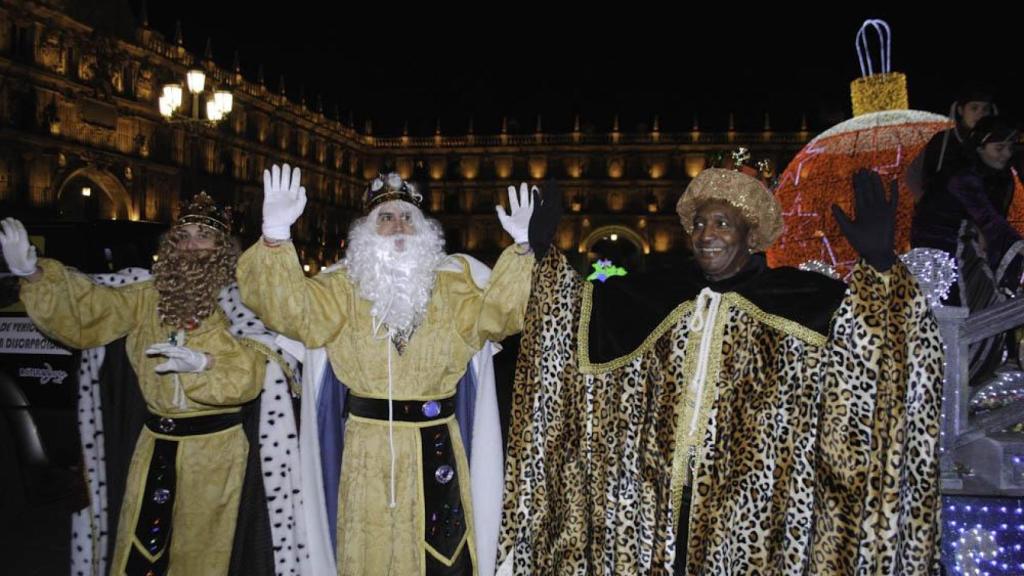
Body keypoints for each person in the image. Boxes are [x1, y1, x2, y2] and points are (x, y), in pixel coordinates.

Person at [497, 166, 944, 575]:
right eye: (698, 225)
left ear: (752, 235)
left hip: (758, 511)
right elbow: (572, 319)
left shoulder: (804, 299)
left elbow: (881, 357)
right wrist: (542, 255)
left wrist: (883, 269)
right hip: (659, 509)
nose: (706, 235)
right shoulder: (657, 294)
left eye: (722, 224)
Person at [236, 164, 536, 575]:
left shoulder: (453, 285)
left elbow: (500, 316)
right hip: (366, 448)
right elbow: (291, 312)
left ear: (423, 229)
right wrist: (275, 236)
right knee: (368, 553)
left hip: (437, 446)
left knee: (443, 558)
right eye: (386, 217)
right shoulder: (341, 288)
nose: (398, 226)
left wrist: (522, 250)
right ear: (366, 229)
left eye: (407, 218)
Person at [0, 193, 290, 576]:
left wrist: (206, 363)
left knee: (200, 556)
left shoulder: (243, 303)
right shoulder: (146, 295)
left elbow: (252, 374)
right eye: (182, 235)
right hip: (153, 445)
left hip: (215, 452)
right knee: (141, 552)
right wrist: (34, 275)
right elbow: (91, 311)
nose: (190, 245)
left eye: (203, 235)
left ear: (222, 248)